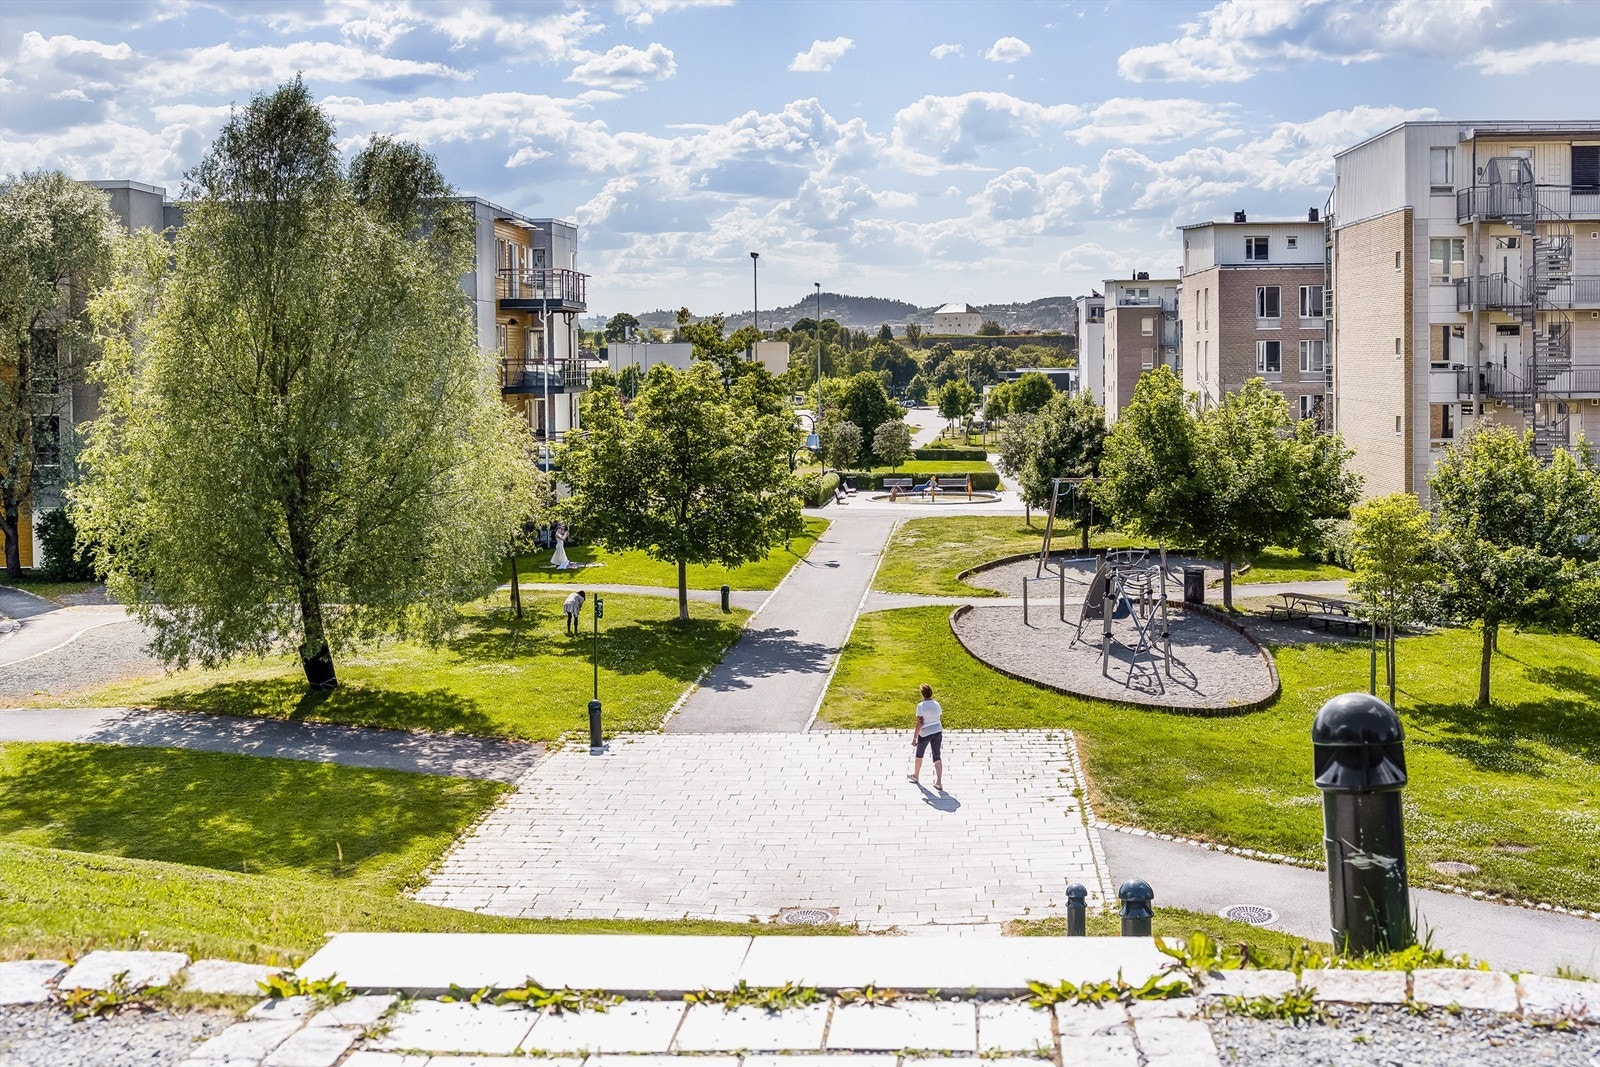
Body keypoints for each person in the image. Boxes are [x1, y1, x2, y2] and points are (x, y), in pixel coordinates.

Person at [910, 682, 943, 790]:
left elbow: (920, 723)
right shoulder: (937, 704)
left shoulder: (921, 706)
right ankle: (938, 782)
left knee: (919, 754)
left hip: (925, 733)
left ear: (922, 694)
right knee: (937, 756)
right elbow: (939, 717)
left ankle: (916, 776)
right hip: (937, 731)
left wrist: (915, 737)